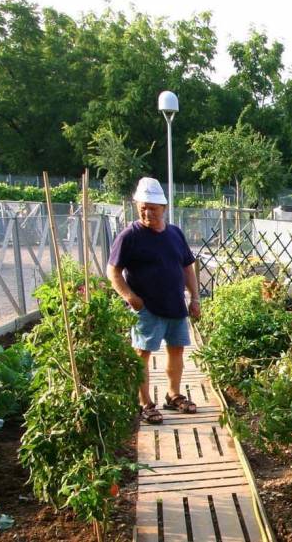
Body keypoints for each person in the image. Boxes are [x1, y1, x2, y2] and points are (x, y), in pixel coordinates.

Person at [107, 177, 201, 424]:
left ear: (164, 208)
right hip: (146, 308)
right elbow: (113, 272)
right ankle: (145, 403)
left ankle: (174, 395)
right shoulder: (130, 236)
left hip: (175, 305)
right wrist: (130, 297)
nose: (147, 212)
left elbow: (188, 268)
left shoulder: (175, 234)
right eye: (143, 207)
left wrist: (195, 298)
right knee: (143, 353)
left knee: (177, 350)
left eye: (152, 208)